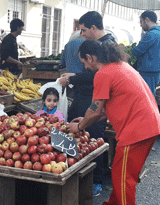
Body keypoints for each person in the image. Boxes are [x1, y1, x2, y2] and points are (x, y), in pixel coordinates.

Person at [67, 40, 160, 205]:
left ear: (89, 58)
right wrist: (86, 120)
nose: (85, 68)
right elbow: (106, 108)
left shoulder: (103, 74)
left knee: (123, 179)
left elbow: (94, 110)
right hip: (150, 125)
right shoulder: (120, 65)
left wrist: (80, 126)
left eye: (84, 62)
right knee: (122, 174)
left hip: (136, 130)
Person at [59, 11, 116, 197]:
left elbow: (95, 77)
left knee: (94, 139)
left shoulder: (107, 46)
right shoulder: (99, 45)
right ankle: (78, 176)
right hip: (84, 96)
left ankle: (96, 181)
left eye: (83, 30)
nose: (81, 34)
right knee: (79, 138)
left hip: (94, 98)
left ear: (93, 28)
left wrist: (74, 77)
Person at [132, 10, 160, 96]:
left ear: (147, 20)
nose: (140, 25)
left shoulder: (151, 34)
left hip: (148, 71)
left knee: (147, 95)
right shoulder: (158, 33)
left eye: (141, 21)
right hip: (155, 70)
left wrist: (134, 49)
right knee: (151, 93)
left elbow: (137, 51)